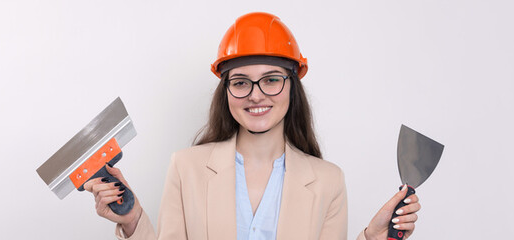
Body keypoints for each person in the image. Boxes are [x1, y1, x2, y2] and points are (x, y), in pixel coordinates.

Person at [83, 12, 420, 240]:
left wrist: (372, 238)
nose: (256, 95)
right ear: (226, 91)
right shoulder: (186, 167)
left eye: (271, 79)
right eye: (241, 82)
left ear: (292, 85)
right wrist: (131, 220)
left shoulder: (328, 181)